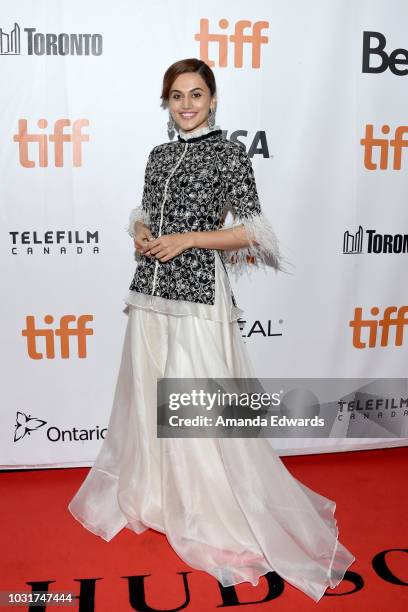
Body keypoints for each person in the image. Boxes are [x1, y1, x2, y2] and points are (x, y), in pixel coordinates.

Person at [68, 58, 355, 602]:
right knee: (151, 396)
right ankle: (156, 493)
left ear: (214, 99)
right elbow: (144, 209)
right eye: (176, 96)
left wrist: (189, 239)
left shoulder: (229, 153)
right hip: (151, 293)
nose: (186, 104)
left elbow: (255, 231)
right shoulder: (159, 155)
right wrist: (144, 229)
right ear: (167, 103)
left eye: (196, 94)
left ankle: (208, 506)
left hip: (198, 297)